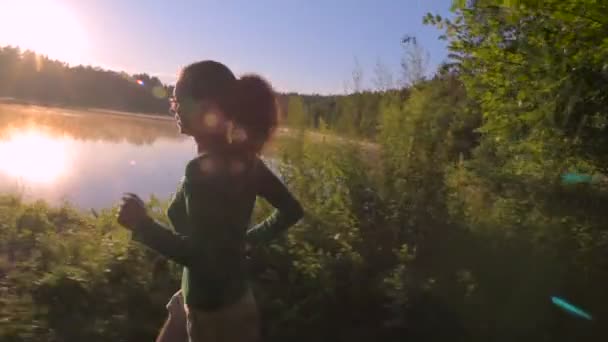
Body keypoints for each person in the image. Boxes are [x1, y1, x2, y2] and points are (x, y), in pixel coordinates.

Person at [117, 60, 304, 342]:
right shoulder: (248, 161)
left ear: (207, 107)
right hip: (215, 294)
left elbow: (200, 258)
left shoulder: (202, 172)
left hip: (215, 315)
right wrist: (245, 241)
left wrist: (142, 225)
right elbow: (291, 210)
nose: (173, 106)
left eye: (178, 98)